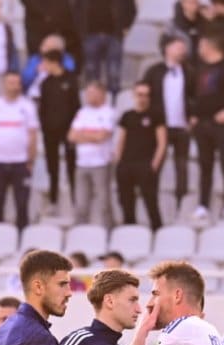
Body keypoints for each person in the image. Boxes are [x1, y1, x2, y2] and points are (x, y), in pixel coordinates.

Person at [191, 35, 224, 223]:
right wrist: (193, 115)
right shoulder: (198, 69)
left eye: (201, 46)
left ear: (210, 46)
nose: (199, 50)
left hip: (222, 125)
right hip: (202, 124)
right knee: (205, 165)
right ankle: (203, 204)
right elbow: (192, 94)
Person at [71, 0, 136, 100]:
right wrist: (81, 31)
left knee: (114, 74)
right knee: (91, 74)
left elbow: (131, 8)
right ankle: (92, 103)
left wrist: (125, 27)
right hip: (90, 36)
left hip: (114, 35)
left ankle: (113, 103)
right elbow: (76, 8)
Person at [141, 36, 193, 207]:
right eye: (178, 47)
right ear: (167, 49)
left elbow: (194, 96)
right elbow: (145, 95)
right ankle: (151, 197)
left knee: (182, 165)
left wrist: (192, 117)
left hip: (181, 126)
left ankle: (181, 201)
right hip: (160, 126)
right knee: (156, 162)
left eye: (183, 48)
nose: (182, 51)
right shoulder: (154, 71)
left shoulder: (189, 72)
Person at [0, 72, 37, 231]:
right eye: (10, 82)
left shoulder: (28, 107)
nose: (13, 86)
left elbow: (33, 134)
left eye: (16, 83)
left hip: (21, 163)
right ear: (4, 84)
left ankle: (22, 236)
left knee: (22, 204)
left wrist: (30, 159)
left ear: (20, 85)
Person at [114, 80, 167, 230]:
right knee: (126, 200)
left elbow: (162, 143)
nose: (143, 98)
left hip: (145, 164)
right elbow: (121, 139)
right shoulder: (127, 116)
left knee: (150, 201)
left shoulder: (156, 115)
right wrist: (119, 161)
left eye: (146, 95)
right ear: (134, 95)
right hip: (126, 164)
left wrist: (154, 164)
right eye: (139, 94)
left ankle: (157, 230)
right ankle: (129, 230)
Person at [35, 48, 80, 217]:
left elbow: (76, 106)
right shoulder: (45, 83)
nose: (43, 65)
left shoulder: (71, 79)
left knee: (72, 166)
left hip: (69, 132)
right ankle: (53, 201)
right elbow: (43, 108)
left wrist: (74, 129)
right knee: (52, 167)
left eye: (45, 62)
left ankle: (76, 200)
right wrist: (44, 127)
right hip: (50, 132)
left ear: (54, 62)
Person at [68, 80, 117, 227]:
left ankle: (108, 231)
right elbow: (71, 136)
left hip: (101, 163)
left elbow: (102, 137)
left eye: (92, 93)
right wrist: (92, 137)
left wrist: (82, 135)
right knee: (81, 203)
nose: (88, 96)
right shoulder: (82, 112)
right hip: (82, 163)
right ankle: (79, 232)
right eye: (87, 93)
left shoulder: (109, 112)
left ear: (102, 94)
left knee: (104, 202)